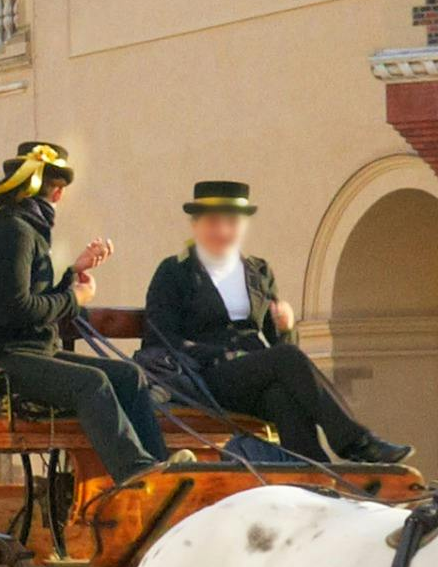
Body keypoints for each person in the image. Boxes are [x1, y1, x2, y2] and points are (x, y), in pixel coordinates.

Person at [137, 180, 410, 468]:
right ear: (196, 225)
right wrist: (224, 355)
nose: (223, 231)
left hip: (252, 374)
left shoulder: (258, 270)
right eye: (213, 222)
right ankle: (357, 442)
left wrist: (285, 329)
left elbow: (279, 347)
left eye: (232, 222)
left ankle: (315, 472)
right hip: (204, 377)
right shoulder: (174, 271)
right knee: (287, 359)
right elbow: (161, 340)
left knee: (281, 397)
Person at [0, 143, 180, 482]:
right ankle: (136, 475)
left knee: (128, 376)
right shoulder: (13, 231)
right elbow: (14, 310)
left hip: (27, 352)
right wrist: (75, 298)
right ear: (57, 192)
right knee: (92, 384)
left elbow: (32, 300)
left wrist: (74, 273)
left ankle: (162, 474)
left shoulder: (21, 227)